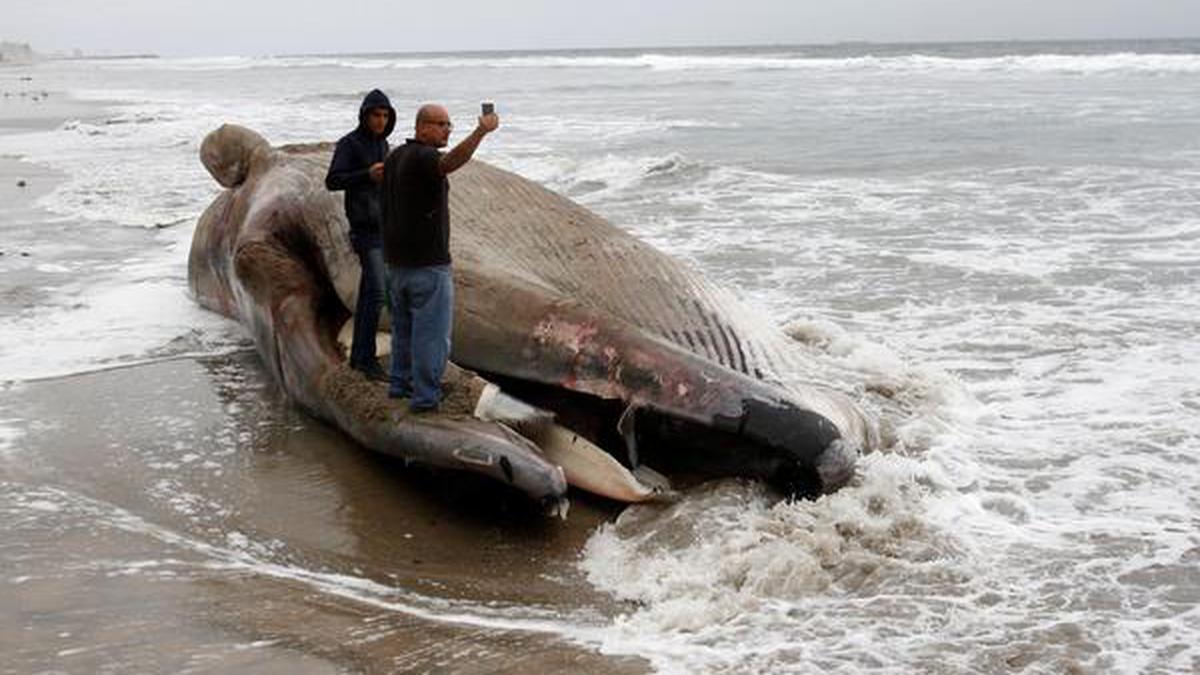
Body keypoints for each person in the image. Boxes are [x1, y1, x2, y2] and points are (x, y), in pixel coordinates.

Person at [381, 103, 499, 412]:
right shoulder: (423, 156)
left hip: (396, 265)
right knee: (431, 338)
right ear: (421, 127)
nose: (448, 129)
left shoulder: (394, 157)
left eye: (449, 125)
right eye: (441, 124)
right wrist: (481, 131)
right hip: (427, 265)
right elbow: (449, 163)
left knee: (403, 331)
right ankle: (425, 400)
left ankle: (399, 385)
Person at [325, 89, 396, 381]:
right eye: (376, 115)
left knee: (371, 294)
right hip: (364, 229)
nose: (380, 121)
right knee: (378, 293)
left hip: (384, 228)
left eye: (385, 116)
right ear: (365, 116)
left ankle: (360, 357)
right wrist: (366, 174)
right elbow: (332, 180)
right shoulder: (349, 144)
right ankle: (365, 358)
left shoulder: (384, 145)